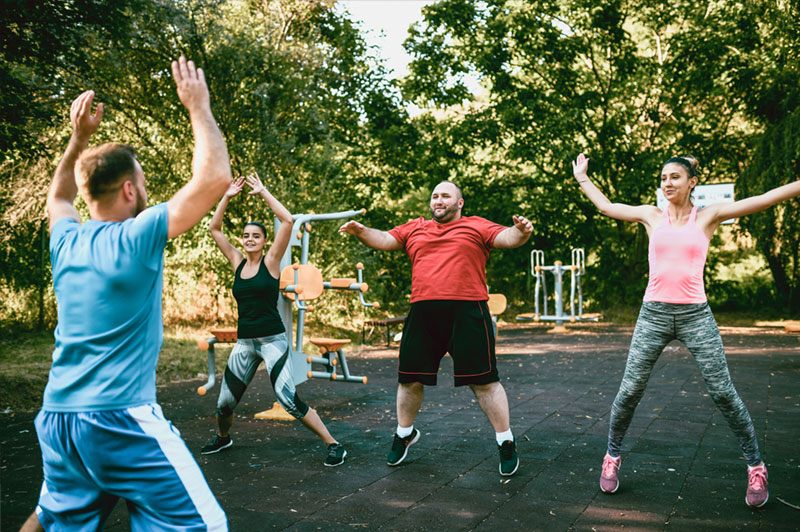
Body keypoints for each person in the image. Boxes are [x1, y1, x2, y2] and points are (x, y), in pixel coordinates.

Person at [29, 57, 230, 531]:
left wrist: (77, 140)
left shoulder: (66, 242)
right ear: (128, 189)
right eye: (141, 182)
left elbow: (57, 197)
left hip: (59, 418)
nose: (145, 189)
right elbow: (215, 178)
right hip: (118, 417)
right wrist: (197, 106)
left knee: (50, 520)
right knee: (205, 526)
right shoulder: (137, 237)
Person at [572, 152, 800, 508]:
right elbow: (607, 206)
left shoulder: (707, 216)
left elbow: (763, 200)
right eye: (663, 177)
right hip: (653, 315)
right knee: (630, 390)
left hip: (696, 316)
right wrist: (583, 178)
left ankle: (756, 467)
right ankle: (612, 457)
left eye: (675, 177)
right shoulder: (652, 216)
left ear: (692, 182)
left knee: (723, 393)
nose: (667, 183)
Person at [339, 181, 532, 476]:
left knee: (484, 381)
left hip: (468, 311)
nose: (438, 200)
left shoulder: (476, 226)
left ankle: (505, 441)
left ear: (460, 203)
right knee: (409, 379)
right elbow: (386, 239)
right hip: (423, 311)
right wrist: (361, 231)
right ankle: (404, 433)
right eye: (435, 196)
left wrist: (521, 232)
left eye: (445, 196)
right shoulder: (415, 228)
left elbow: (507, 237)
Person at [199, 174, 347, 467]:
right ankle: (223, 438)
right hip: (245, 343)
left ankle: (334, 444)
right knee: (224, 404)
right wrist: (227, 195)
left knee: (288, 398)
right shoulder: (237, 261)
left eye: (256, 235)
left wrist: (263, 191)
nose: (250, 239)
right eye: (246, 236)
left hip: (272, 341)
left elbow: (288, 221)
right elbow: (214, 228)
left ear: (265, 241)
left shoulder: (271, 262)